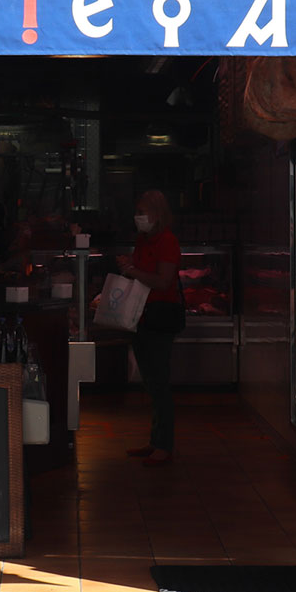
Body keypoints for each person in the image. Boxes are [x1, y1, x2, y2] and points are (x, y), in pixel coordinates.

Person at [117, 189, 185, 466]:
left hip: (159, 317)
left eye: (142, 212)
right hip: (141, 317)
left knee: (159, 382)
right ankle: (156, 440)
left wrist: (131, 270)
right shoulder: (142, 240)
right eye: (137, 212)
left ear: (157, 214)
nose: (138, 217)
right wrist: (130, 266)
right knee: (151, 381)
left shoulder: (167, 241)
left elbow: (163, 281)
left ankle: (164, 444)